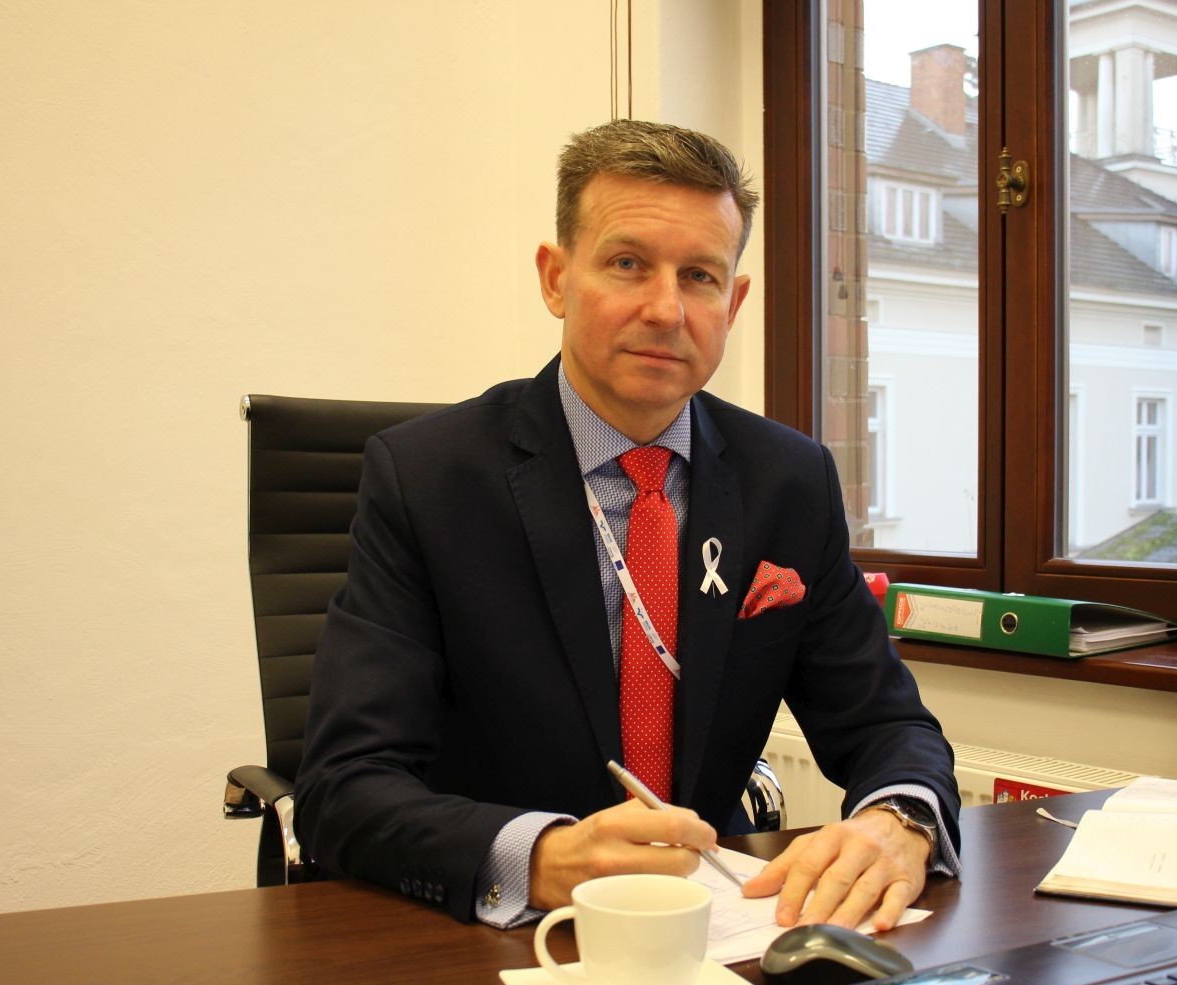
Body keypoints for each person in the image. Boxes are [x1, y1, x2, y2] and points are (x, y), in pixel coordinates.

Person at [296, 119, 960, 931]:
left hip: (711, 925)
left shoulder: (789, 481)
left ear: (733, 302)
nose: (666, 309)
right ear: (556, 279)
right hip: (490, 937)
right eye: (627, 264)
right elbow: (342, 786)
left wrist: (900, 820)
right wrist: (542, 857)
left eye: (700, 276)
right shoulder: (427, 479)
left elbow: (888, 723)